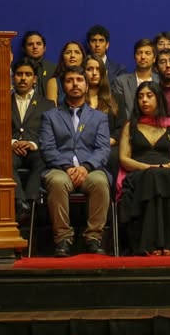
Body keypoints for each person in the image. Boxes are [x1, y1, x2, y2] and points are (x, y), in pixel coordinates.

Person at [38, 66, 112, 256]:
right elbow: (47, 148)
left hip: (90, 168)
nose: (75, 84)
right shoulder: (50, 116)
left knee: (100, 182)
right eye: (69, 80)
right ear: (63, 86)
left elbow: (103, 148)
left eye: (79, 80)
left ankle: (93, 238)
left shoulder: (99, 117)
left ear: (86, 86)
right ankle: (63, 239)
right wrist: (68, 167)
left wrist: (86, 167)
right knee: (57, 182)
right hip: (60, 168)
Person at [115, 82, 170, 256]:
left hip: (167, 171)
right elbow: (124, 158)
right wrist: (146, 167)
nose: (144, 100)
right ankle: (149, 245)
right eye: (141, 96)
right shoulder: (130, 126)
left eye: (149, 96)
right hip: (138, 174)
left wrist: (165, 167)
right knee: (153, 176)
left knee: (164, 176)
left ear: (158, 98)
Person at [10, 57, 54, 221]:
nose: (23, 78)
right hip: (11, 150)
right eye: (19, 74)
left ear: (34, 78)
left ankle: (29, 201)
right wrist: (13, 143)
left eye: (28, 74)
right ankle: (20, 202)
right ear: (13, 77)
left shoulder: (47, 104)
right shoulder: (2, 102)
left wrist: (33, 144)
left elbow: (49, 133)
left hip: (36, 150)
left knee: (42, 160)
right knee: (4, 163)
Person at [83, 55, 127, 180]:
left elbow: (122, 128)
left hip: (109, 145)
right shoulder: (76, 100)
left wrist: (108, 141)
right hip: (82, 146)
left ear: (104, 73)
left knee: (113, 156)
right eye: (90, 69)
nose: (94, 73)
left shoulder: (116, 99)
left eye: (98, 69)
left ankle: (113, 198)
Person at [113, 38, 157, 119]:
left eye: (147, 53)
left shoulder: (160, 82)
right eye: (139, 53)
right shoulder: (121, 82)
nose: (143, 57)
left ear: (154, 58)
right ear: (134, 57)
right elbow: (120, 113)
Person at [20, 30, 55, 99]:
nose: (35, 47)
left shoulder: (53, 69)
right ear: (24, 49)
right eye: (30, 44)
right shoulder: (18, 70)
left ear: (44, 48)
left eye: (38, 44)